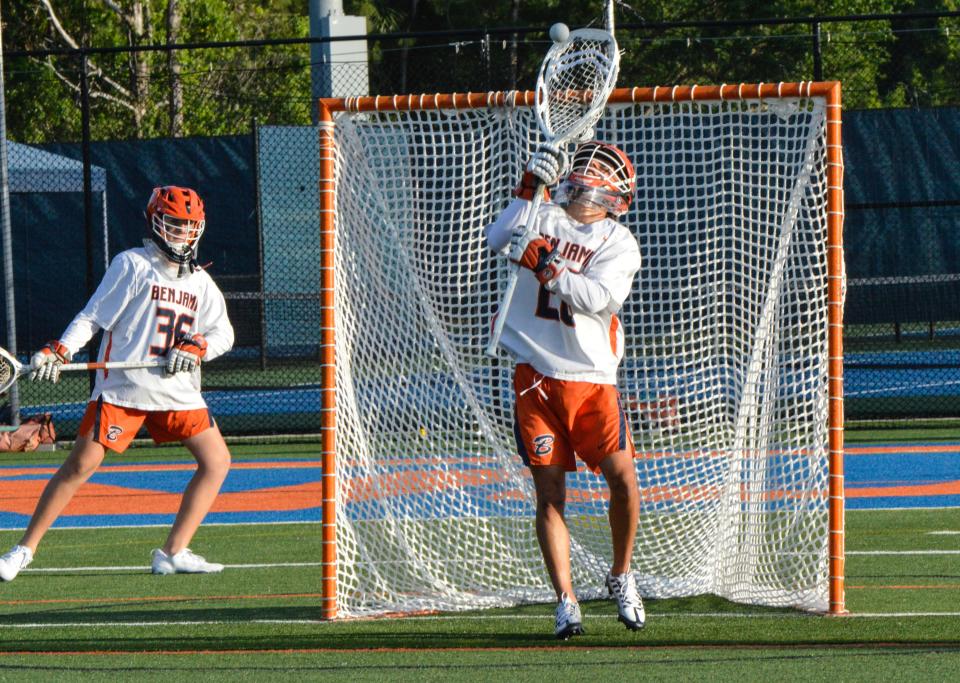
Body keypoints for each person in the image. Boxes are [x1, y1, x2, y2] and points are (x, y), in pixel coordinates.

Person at [0, 185, 235, 582]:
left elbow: (224, 334)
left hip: (177, 390)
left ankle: (173, 552)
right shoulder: (133, 264)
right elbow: (93, 317)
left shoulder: (200, 283)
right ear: (156, 223)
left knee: (217, 462)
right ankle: (22, 551)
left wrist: (199, 346)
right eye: (175, 224)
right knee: (81, 465)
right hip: (125, 387)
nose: (183, 233)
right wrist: (61, 349)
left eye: (190, 226)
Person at [485, 140, 645, 639]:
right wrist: (527, 187)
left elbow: (600, 297)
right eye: (588, 161)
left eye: (601, 167)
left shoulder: (619, 241)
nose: (587, 168)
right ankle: (566, 600)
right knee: (550, 493)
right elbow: (499, 237)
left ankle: (620, 573)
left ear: (615, 192)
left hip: (592, 380)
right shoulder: (543, 214)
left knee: (622, 481)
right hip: (535, 374)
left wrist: (550, 267)